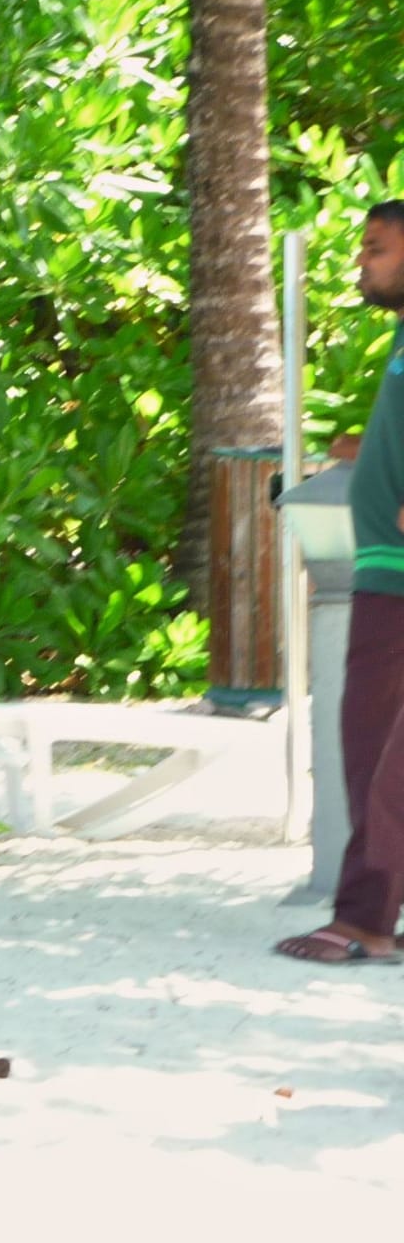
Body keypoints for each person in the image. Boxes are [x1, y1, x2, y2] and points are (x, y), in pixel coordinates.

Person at [279, 201, 404, 964]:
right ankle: (374, 917)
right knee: (369, 748)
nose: (362, 261)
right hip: (383, 571)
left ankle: (364, 921)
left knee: (389, 758)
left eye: (376, 248)